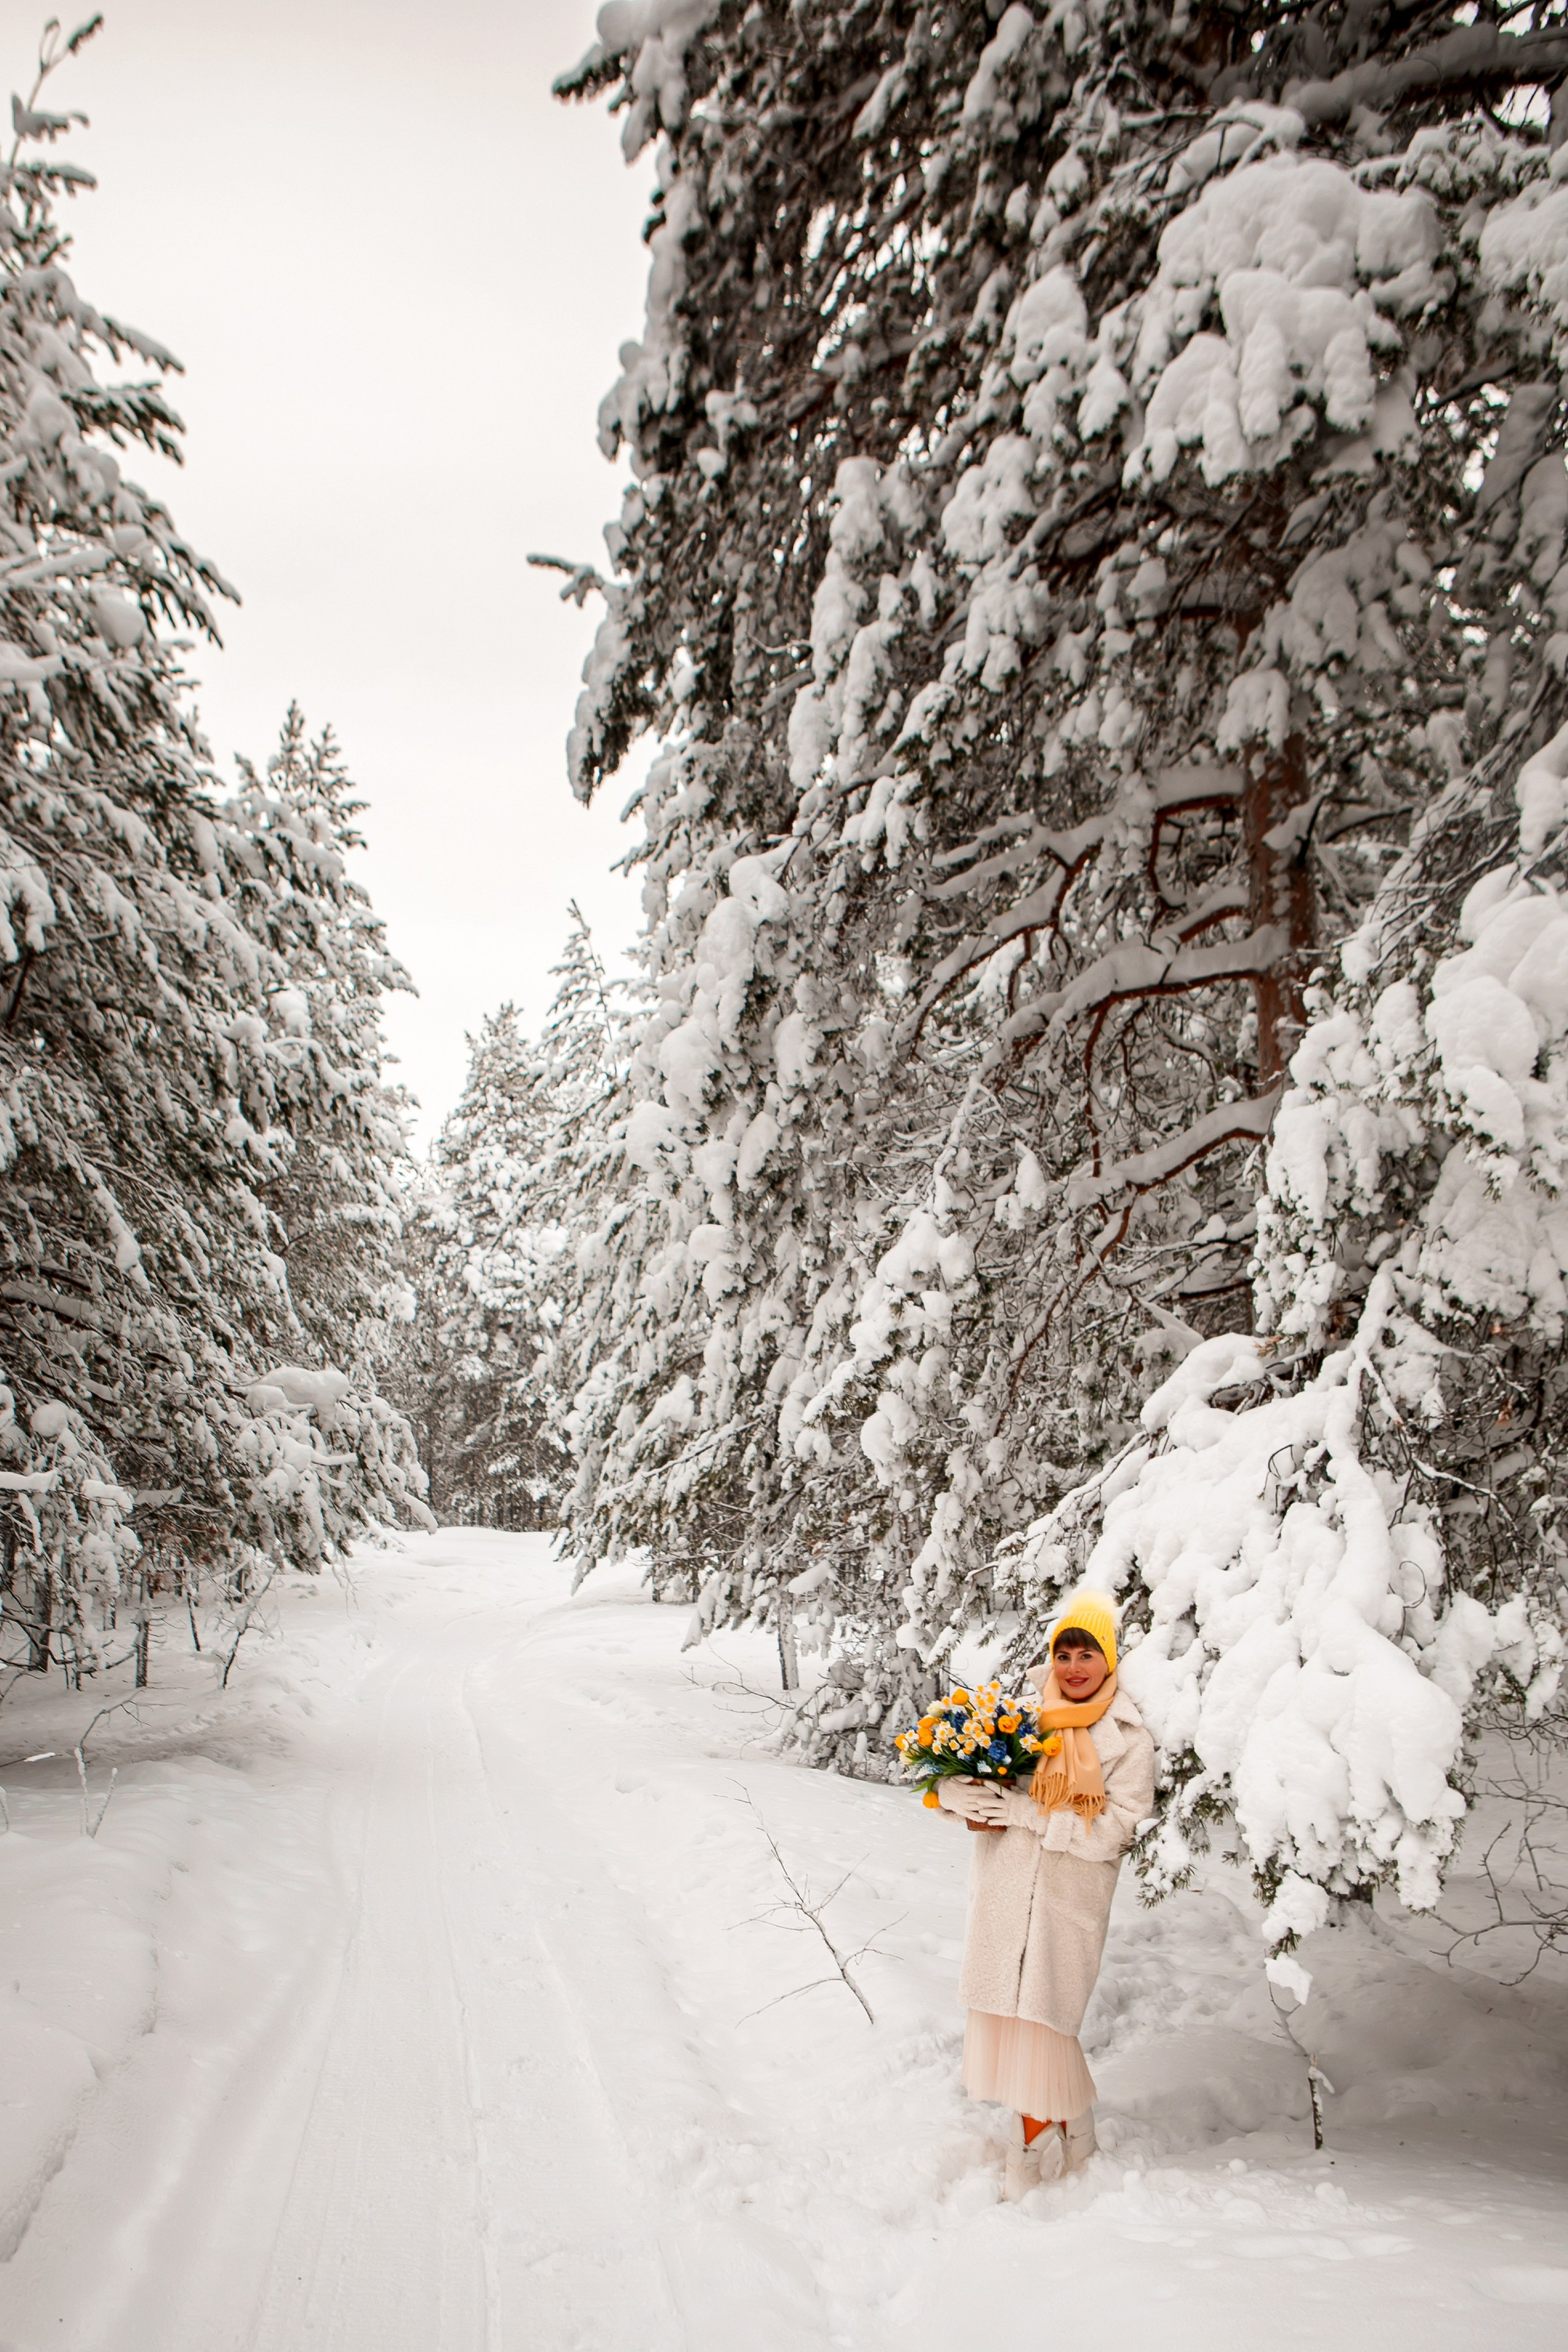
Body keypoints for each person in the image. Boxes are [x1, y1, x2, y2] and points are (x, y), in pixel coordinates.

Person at [937, 1593, 1156, 2198]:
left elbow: (1113, 1830)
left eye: (1088, 1653)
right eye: (1064, 1653)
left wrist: (1025, 1812)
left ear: (1108, 1660)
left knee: (1045, 2024)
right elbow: (968, 1779)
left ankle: (1028, 2147)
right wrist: (959, 1798)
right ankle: (1076, 2131)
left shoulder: (1128, 1738)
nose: (1075, 1665)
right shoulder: (1021, 1716)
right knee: (1015, 2025)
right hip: (1006, 1894)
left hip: (1068, 1900)